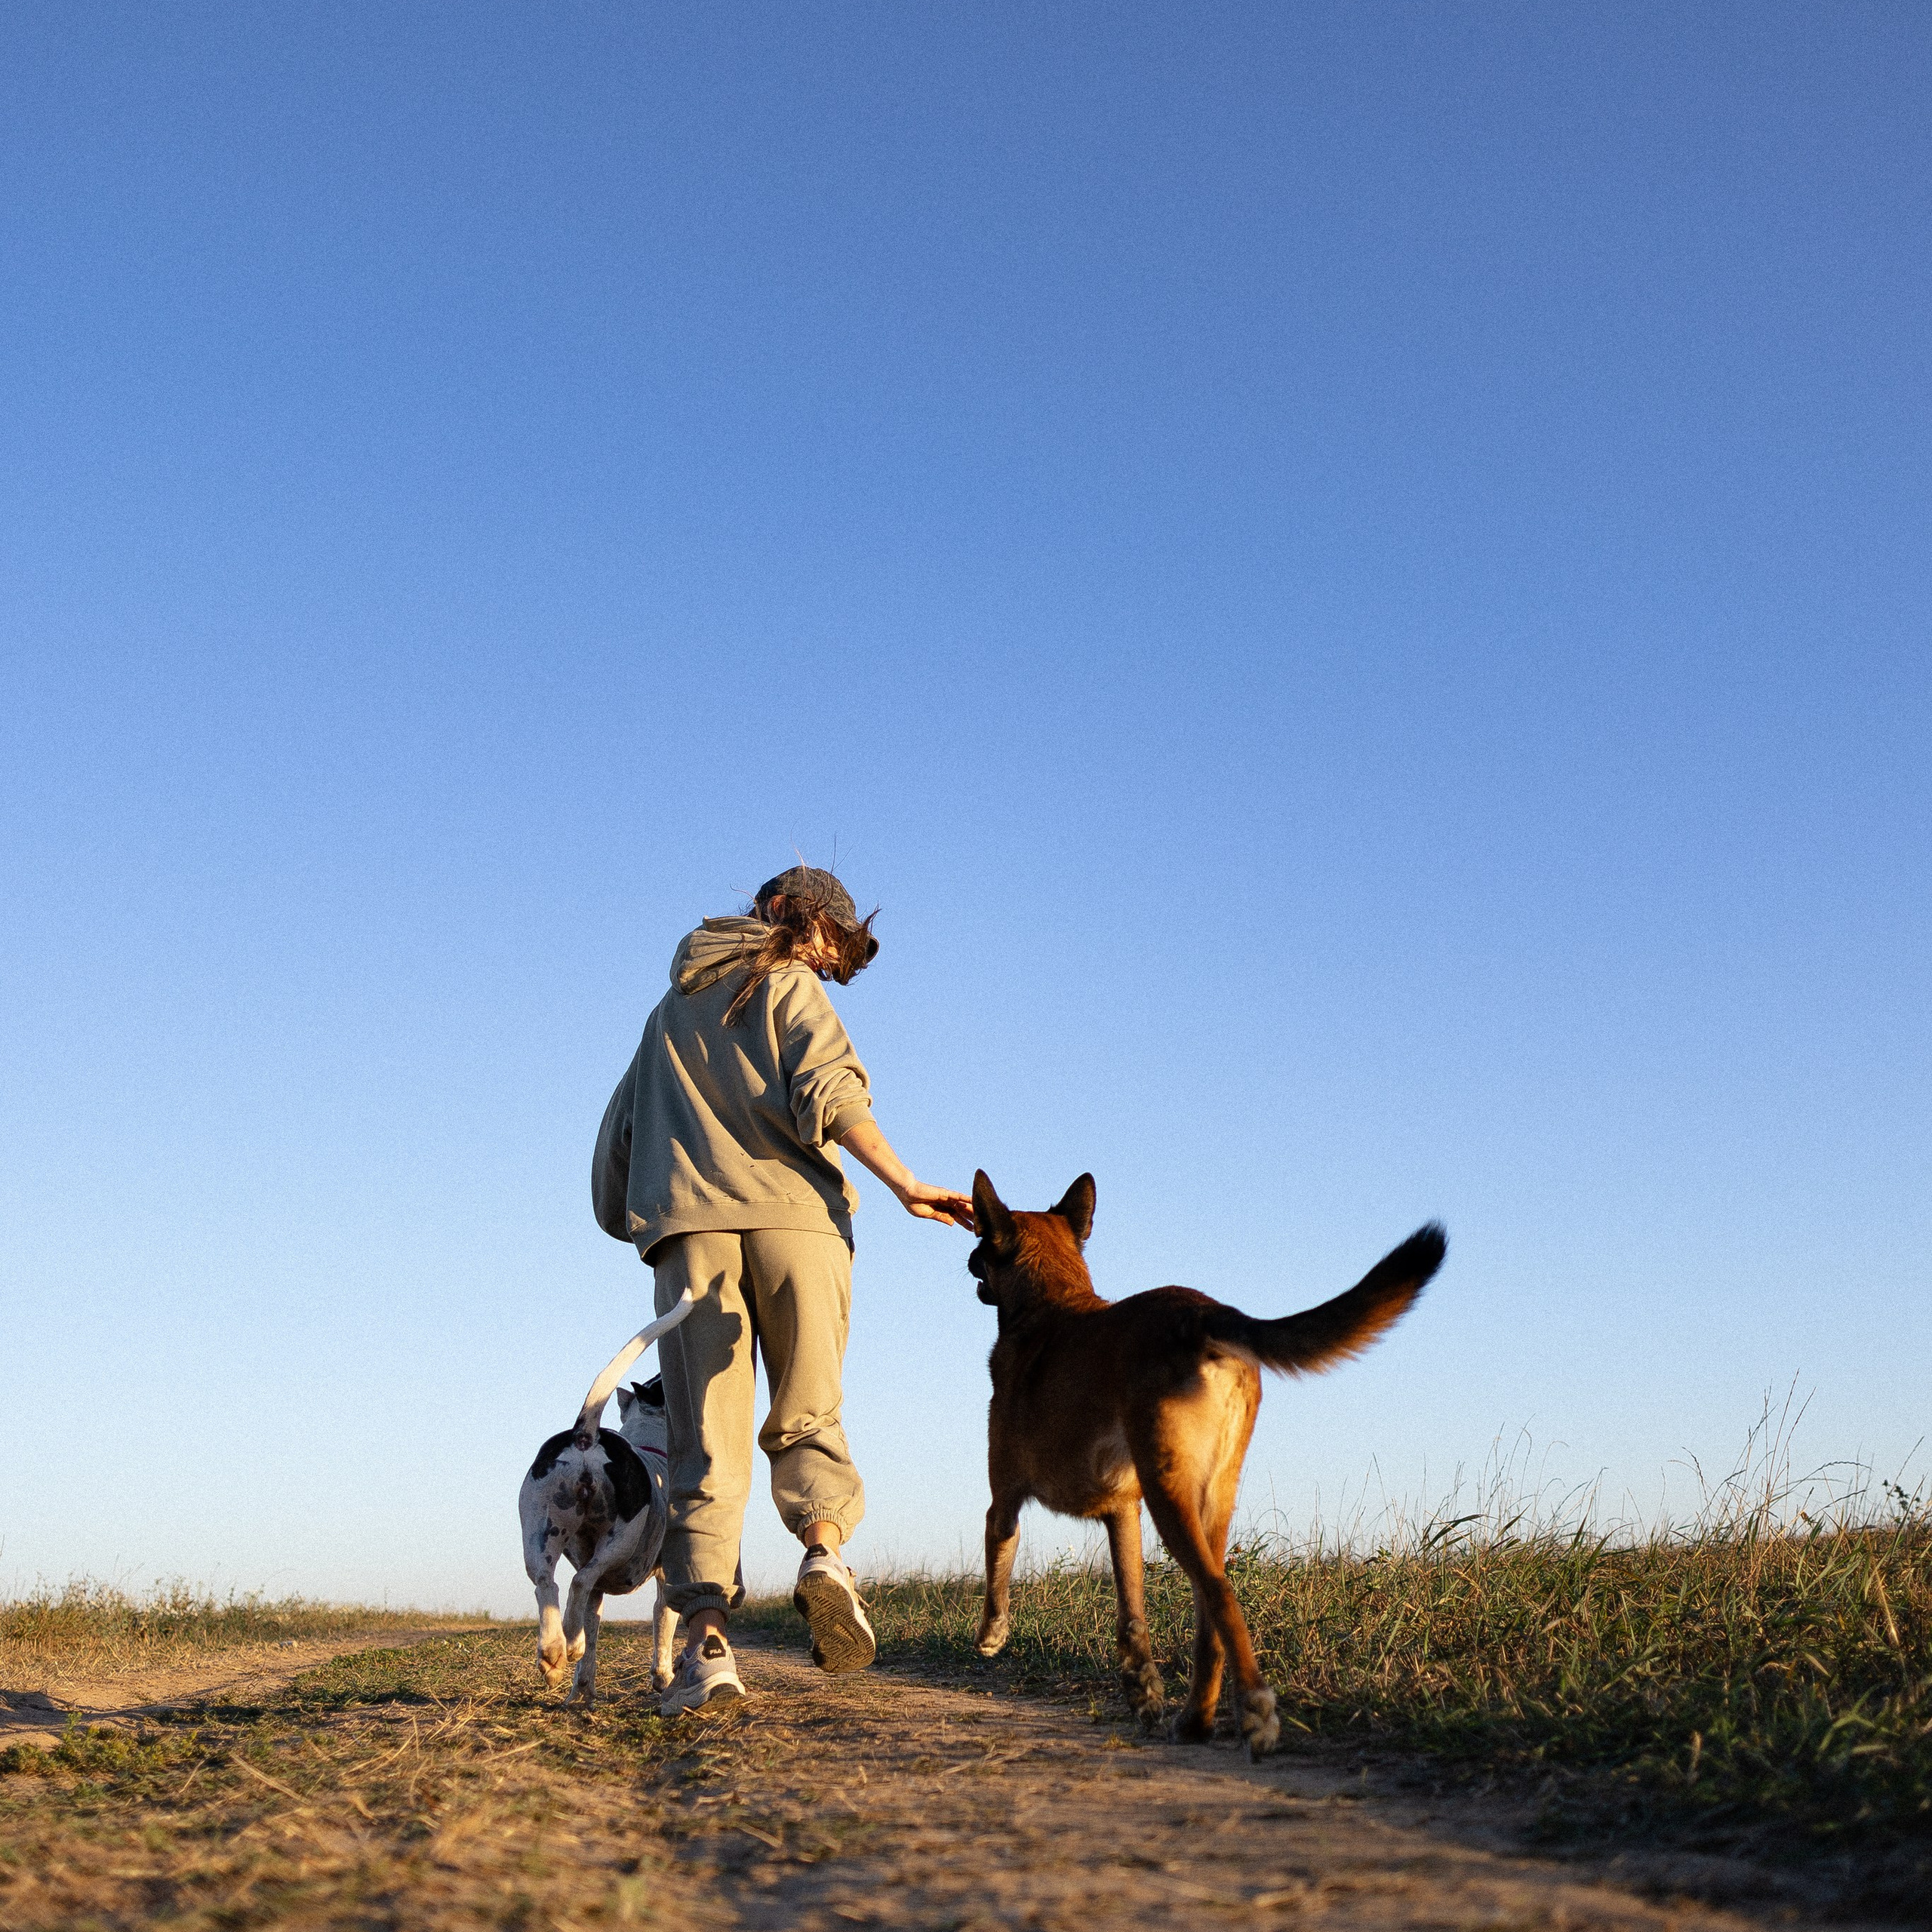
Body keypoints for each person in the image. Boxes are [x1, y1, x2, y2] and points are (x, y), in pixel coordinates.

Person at [593, 866, 974, 1715]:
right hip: (800, 1225)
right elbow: (830, 1087)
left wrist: (654, 1218)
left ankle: (707, 1646)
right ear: (784, 914)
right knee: (809, 1412)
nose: (826, 966)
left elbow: (615, 1152)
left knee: (704, 1445)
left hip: (692, 1238)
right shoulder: (785, 981)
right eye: (827, 943)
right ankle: (824, 1555)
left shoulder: (666, 1017)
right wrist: (905, 1183)